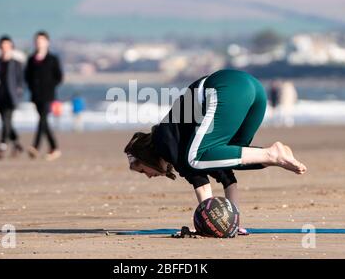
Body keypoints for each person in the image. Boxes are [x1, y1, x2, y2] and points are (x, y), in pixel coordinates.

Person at [124, 69, 307, 233]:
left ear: (146, 156)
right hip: (253, 89)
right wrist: (232, 223)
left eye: (142, 170)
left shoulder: (164, 139)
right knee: (227, 157)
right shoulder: (178, 146)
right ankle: (276, 154)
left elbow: (200, 184)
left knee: (194, 159)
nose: (147, 176)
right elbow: (227, 177)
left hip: (225, 87)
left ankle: (272, 153)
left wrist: (206, 225)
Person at [24, 31, 63, 161]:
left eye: (41, 40)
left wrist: (50, 85)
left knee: (42, 120)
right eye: (37, 40)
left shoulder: (53, 59)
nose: (39, 43)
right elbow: (27, 77)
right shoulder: (31, 59)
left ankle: (35, 146)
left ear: (47, 42)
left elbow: (59, 77)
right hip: (36, 95)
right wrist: (32, 88)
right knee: (44, 121)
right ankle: (54, 148)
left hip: (48, 95)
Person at [0, 35, 24, 159]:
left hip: (11, 97)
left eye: (7, 46)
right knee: (6, 122)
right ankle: (17, 144)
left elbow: (20, 81)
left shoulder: (16, 64)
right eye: (3, 46)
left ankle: (2, 146)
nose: (5, 48)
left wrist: (19, 94)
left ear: (11, 47)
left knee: (6, 122)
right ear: (0, 47)